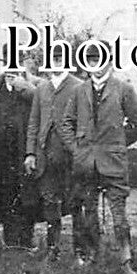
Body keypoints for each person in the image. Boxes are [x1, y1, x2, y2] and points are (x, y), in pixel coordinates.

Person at [61, 41, 137, 274]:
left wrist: (117, 144)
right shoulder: (79, 90)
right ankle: (92, 253)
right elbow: (66, 123)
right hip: (86, 162)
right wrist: (76, 149)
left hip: (113, 161)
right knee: (89, 210)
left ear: (108, 59)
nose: (94, 64)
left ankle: (126, 260)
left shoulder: (123, 89)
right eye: (89, 59)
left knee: (118, 211)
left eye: (98, 58)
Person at [23, 53, 82, 261]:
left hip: (70, 155)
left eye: (61, 58)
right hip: (45, 154)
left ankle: (80, 251)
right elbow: (34, 122)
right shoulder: (42, 87)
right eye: (53, 58)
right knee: (50, 202)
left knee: (76, 202)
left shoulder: (78, 86)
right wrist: (30, 153)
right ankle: (53, 248)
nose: (57, 62)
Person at [0, 71, 36, 250]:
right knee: (1, 194)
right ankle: (6, 239)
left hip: (22, 150)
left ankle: (24, 240)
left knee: (25, 196)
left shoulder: (32, 84)